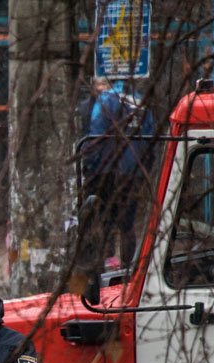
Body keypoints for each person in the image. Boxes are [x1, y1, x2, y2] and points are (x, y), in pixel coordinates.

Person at [81, 77, 153, 265]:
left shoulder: (105, 101)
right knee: (127, 225)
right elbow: (150, 140)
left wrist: (89, 167)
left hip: (107, 169)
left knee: (106, 221)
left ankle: (105, 270)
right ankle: (128, 270)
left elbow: (95, 137)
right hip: (134, 171)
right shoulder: (141, 103)